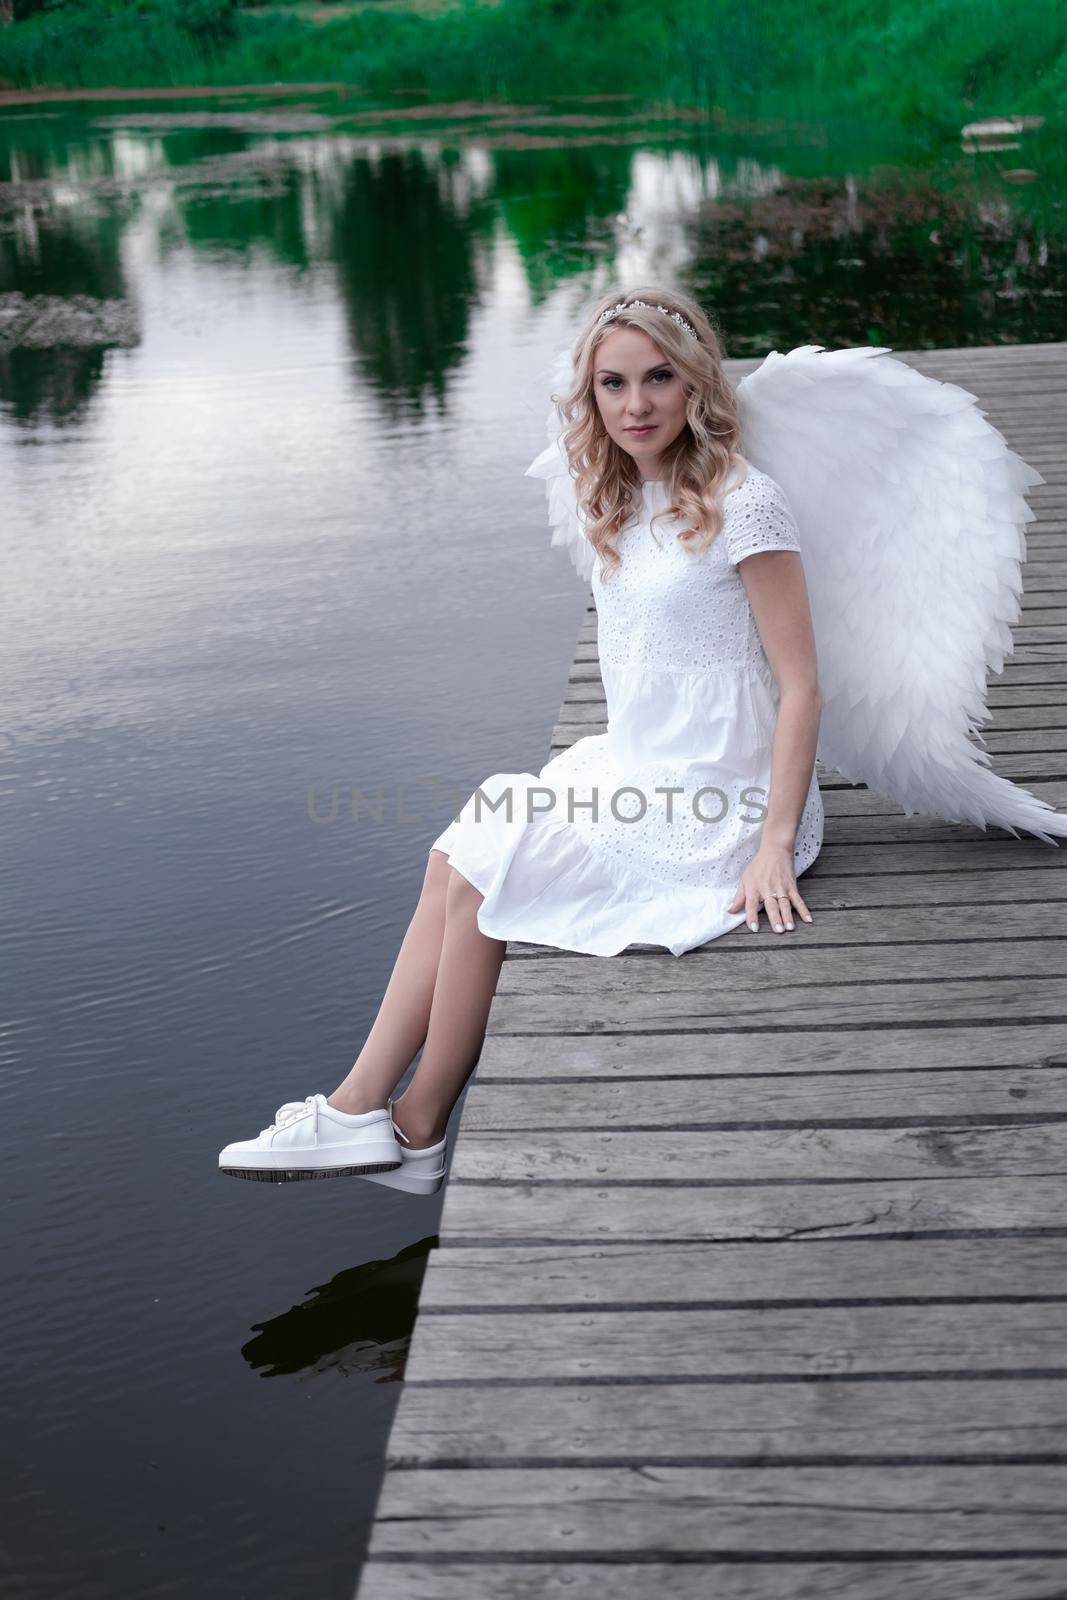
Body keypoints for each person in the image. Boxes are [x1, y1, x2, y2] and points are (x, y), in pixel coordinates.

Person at [218, 285, 1062, 1194]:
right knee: (459, 851)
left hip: (723, 799)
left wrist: (774, 843)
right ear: (589, 396)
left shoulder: (748, 502)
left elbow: (802, 684)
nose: (636, 405)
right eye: (612, 384)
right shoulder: (617, 498)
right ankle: (397, 1125)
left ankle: (383, 1118)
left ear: (696, 380)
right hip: (641, 767)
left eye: (658, 377)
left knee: (480, 868)